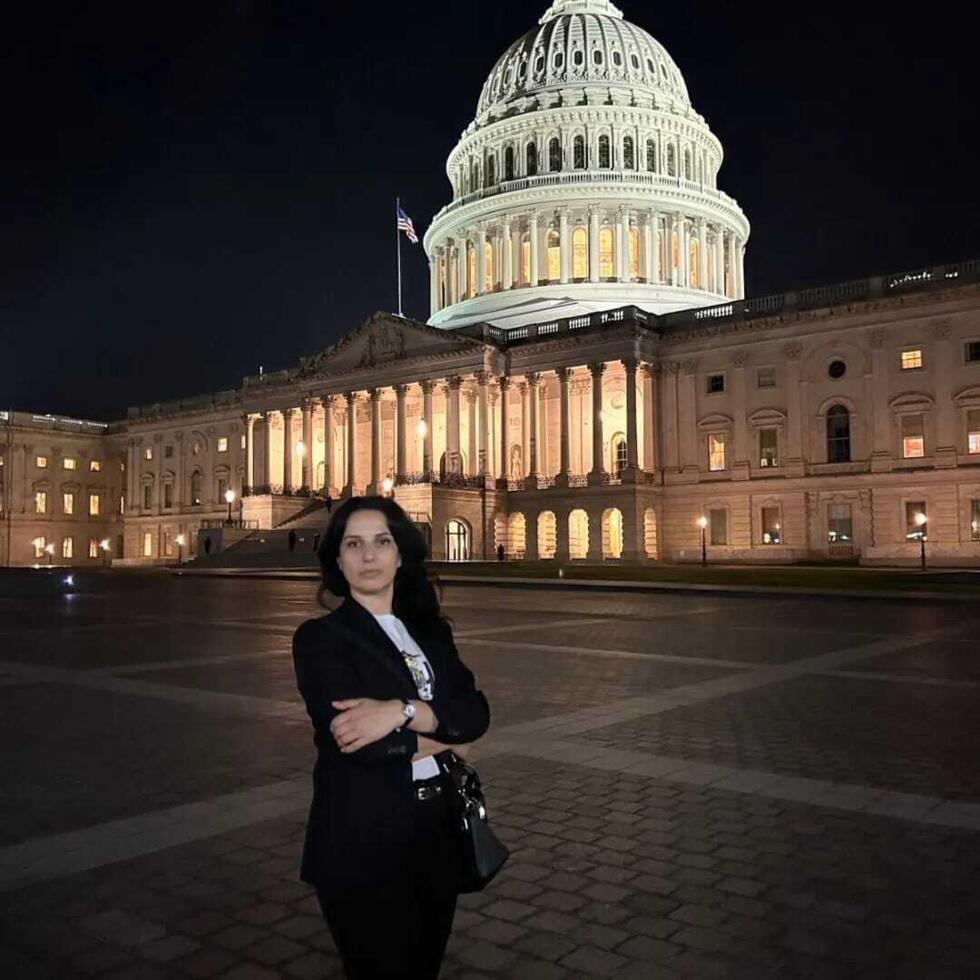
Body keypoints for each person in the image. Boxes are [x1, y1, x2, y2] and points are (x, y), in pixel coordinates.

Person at [292, 496, 490, 979]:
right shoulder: (320, 639)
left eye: (382, 542)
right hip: (363, 835)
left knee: (424, 967)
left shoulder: (430, 633)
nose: (368, 556)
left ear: (400, 554)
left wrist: (401, 712)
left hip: (436, 831)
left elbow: (477, 713)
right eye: (353, 544)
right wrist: (448, 737)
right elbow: (360, 744)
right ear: (337, 559)